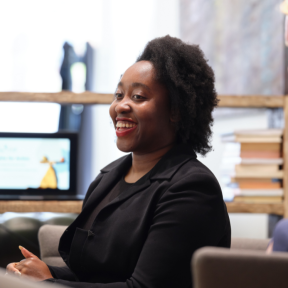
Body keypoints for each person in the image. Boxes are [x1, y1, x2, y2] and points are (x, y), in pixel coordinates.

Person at [6, 35, 231, 288]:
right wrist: (47, 273)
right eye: (118, 94)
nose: (120, 106)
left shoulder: (192, 188)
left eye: (138, 97)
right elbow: (94, 276)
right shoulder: (108, 177)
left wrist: (49, 283)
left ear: (176, 111)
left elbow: (143, 287)